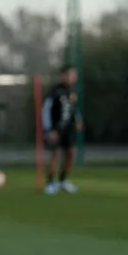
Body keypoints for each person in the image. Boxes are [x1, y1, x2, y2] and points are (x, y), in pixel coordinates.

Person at [42, 65, 83, 195]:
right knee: (55, 154)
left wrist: (77, 120)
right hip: (56, 129)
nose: (73, 77)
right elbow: (46, 110)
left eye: (74, 75)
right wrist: (49, 129)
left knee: (71, 153)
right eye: (71, 74)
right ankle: (50, 183)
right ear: (64, 75)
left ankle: (63, 180)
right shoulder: (55, 91)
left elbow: (73, 108)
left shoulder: (72, 91)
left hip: (68, 129)